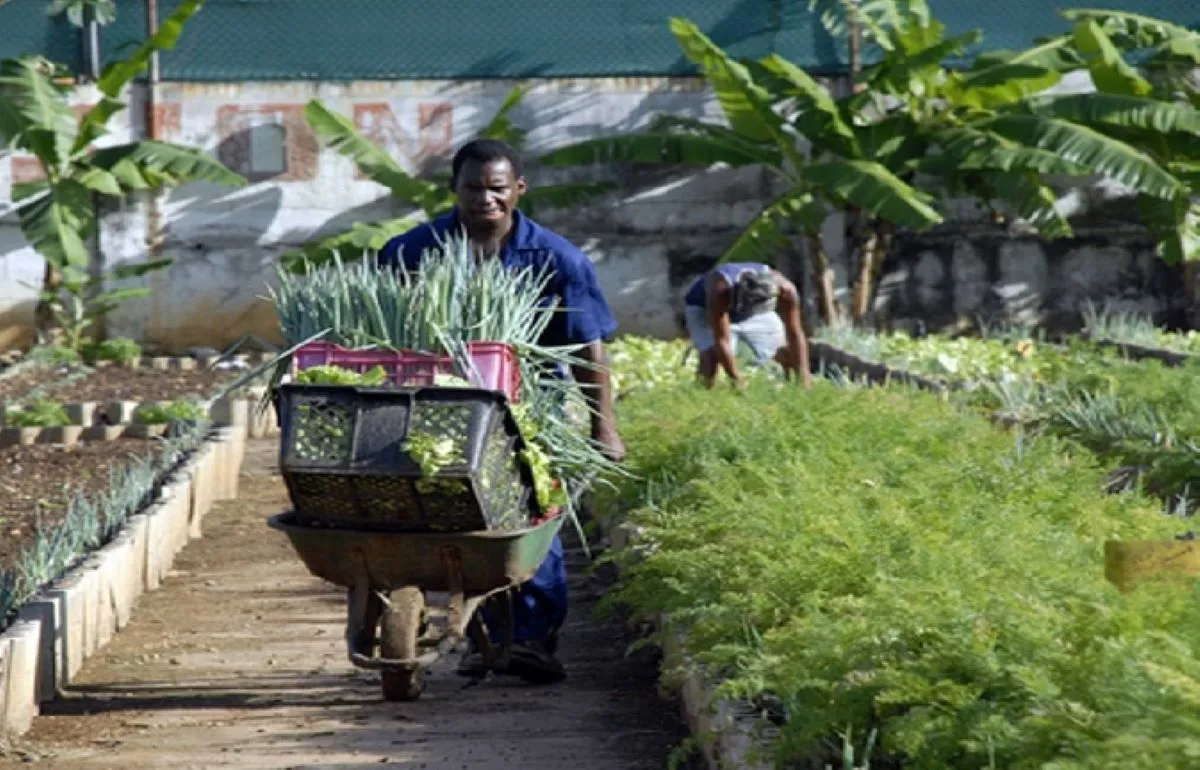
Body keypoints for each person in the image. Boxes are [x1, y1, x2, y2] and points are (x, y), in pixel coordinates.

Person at [377, 138, 625, 683]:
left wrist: (602, 425)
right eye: (473, 187)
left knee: (525, 516)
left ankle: (529, 637)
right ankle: (469, 625)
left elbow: (589, 347)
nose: (485, 198)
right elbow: (375, 336)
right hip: (433, 408)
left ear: (519, 189)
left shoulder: (559, 259)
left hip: (528, 411)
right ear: (454, 190)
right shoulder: (411, 252)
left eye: (496, 187)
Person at [683, 262, 812, 388]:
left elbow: (795, 332)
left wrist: (804, 378)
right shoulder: (720, 289)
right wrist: (737, 380)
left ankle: (794, 386)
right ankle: (704, 393)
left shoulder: (787, 290)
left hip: (755, 310)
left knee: (781, 349)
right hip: (704, 308)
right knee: (711, 354)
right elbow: (721, 341)